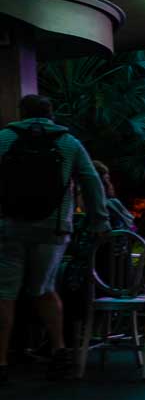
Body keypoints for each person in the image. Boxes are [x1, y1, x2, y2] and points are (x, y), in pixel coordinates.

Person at [0, 94, 108, 382]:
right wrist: (99, 220)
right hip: (54, 227)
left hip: (9, 226)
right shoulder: (69, 143)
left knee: (5, 293)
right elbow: (91, 180)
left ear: (21, 112)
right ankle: (60, 351)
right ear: (51, 115)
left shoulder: (5, 139)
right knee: (44, 288)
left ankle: (1, 360)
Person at [91, 162, 135, 231]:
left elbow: (131, 226)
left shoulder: (109, 205)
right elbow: (132, 226)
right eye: (107, 179)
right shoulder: (112, 203)